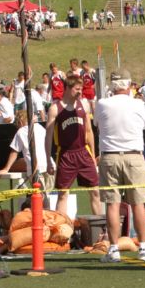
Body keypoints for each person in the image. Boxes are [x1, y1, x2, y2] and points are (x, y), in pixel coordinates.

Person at [94, 68, 145, 263]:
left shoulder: (102, 104)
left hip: (110, 156)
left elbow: (97, 125)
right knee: (138, 203)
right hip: (133, 156)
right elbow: (143, 127)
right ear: (129, 85)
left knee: (112, 204)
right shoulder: (138, 104)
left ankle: (114, 249)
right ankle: (144, 246)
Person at [44, 73, 101, 217]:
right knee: (63, 195)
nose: (80, 92)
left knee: (95, 191)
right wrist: (48, 160)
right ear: (68, 88)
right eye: (77, 89)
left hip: (83, 152)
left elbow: (89, 132)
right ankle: (60, 230)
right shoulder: (55, 108)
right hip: (65, 155)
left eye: (81, 89)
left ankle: (101, 229)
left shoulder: (84, 105)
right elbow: (48, 136)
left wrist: (93, 155)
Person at [0, 110, 46, 188]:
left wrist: (6, 169)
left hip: (35, 168)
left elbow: (14, 152)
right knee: (46, 196)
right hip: (47, 166)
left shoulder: (21, 131)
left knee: (39, 197)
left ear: (20, 121)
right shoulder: (41, 128)